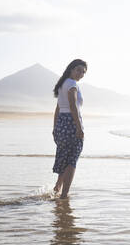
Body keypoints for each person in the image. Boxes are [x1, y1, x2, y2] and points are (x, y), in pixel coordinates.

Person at [52, 59, 87, 199]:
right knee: (72, 161)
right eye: (79, 70)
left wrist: (55, 128)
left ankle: (57, 188)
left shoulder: (62, 84)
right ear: (71, 69)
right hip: (71, 124)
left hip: (61, 124)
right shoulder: (72, 85)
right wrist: (79, 128)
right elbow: (72, 106)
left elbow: (58, 108)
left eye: (83, 72)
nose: (81, 74)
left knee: (65, 158)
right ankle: (64, 196)